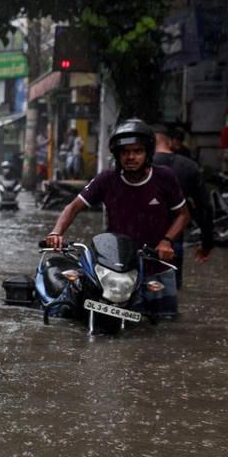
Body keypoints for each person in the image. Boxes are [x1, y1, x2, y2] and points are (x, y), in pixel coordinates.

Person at [45, 119, 190, 319]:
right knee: (99, 322)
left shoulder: (165, 178)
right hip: (116, 269)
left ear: (147, 153)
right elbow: (73, 207)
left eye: (137, 151)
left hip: (156, 266)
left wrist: (167, 241)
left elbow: (183, 215)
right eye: (125, 152)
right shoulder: (107, 179)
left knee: (165, 326)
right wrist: (56, 233)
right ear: (117, 155)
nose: (131, 157)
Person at [152, 125, 214, 289]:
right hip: (173, 240)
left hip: (140, 241)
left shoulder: (137, 166)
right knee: (172, 292)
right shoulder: (188, 166)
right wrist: (207, 243)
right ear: (170, 142)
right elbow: (205, 207)